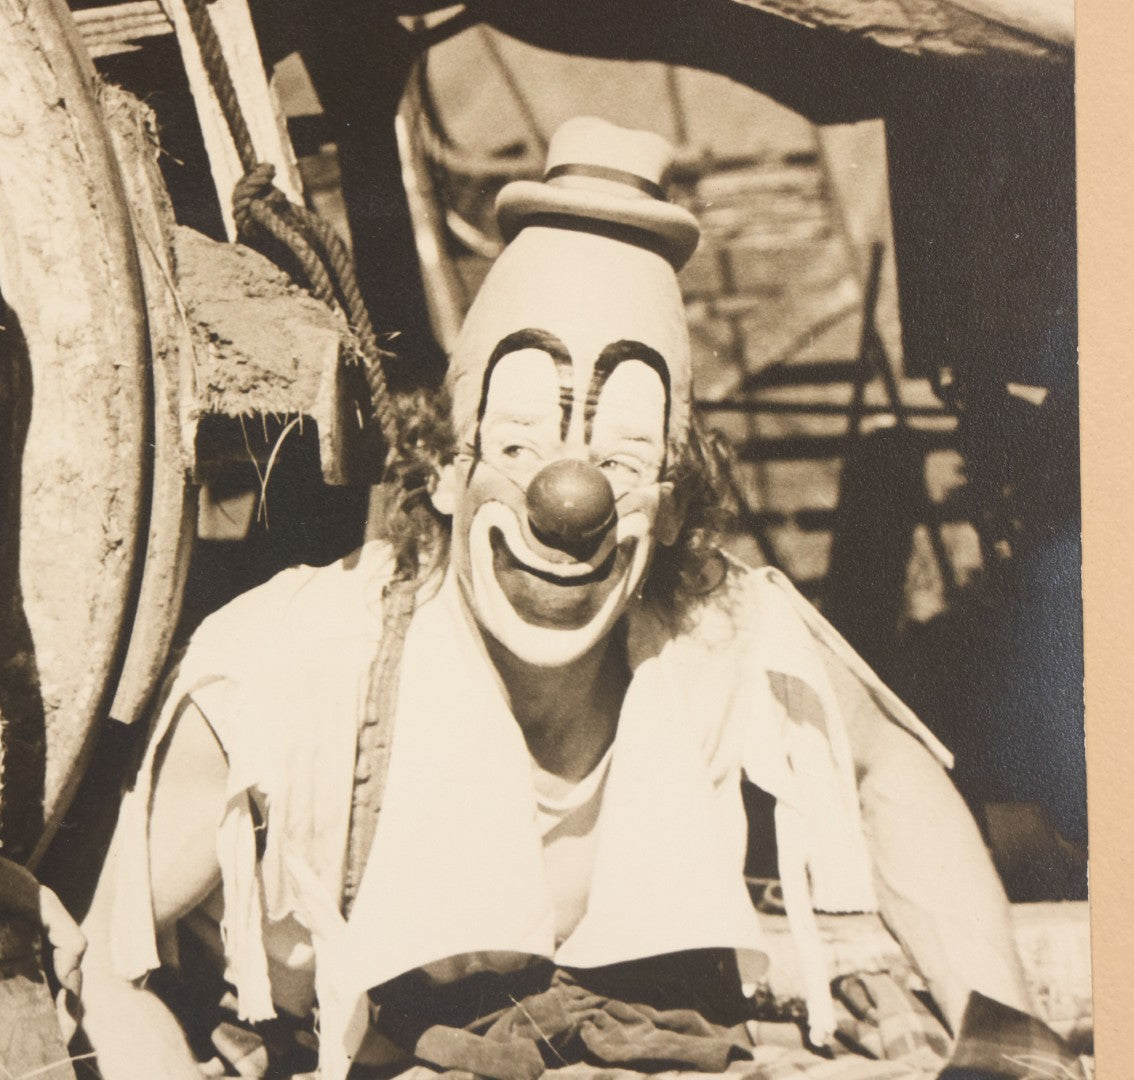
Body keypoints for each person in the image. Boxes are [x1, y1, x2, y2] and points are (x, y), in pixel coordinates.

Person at [79, 118, 1032, 1080]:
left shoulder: (716, 633)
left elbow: (884, 771)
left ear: (666, 509)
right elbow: (112, 967)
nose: (567, 504)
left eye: (621, 462)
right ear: (446, 471)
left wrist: (1008, 1037)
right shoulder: (292, 675)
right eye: (523, 445)